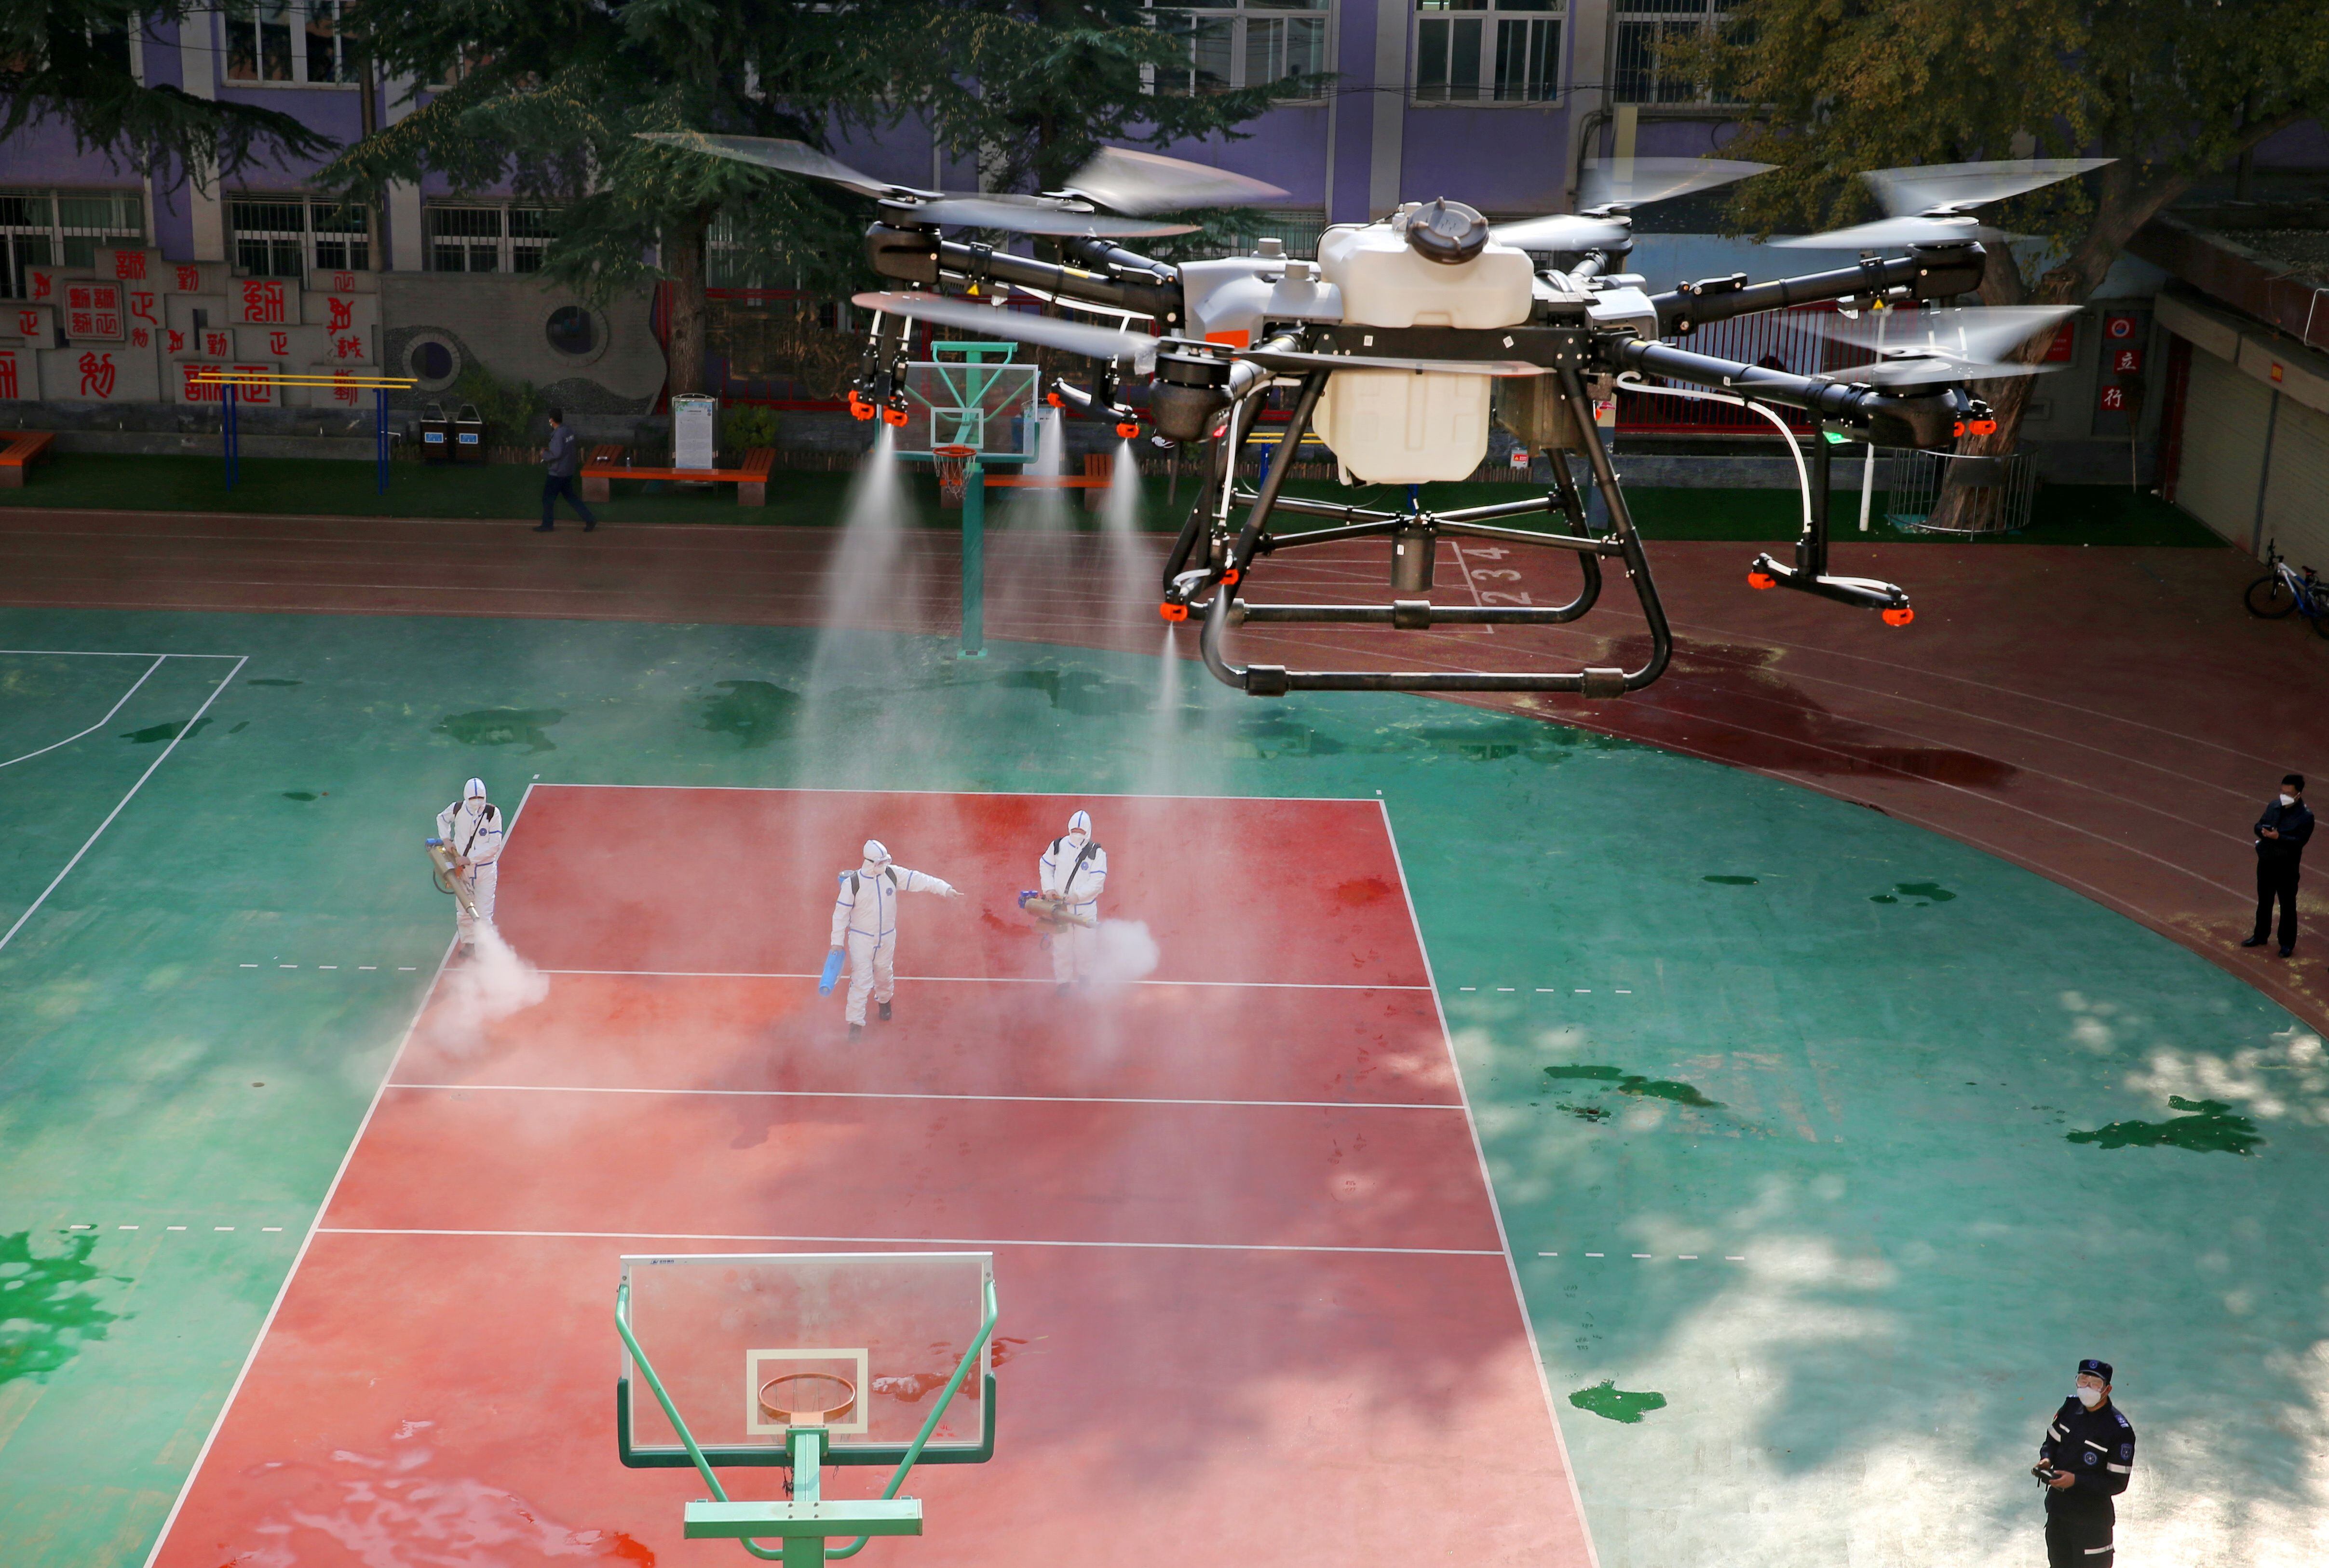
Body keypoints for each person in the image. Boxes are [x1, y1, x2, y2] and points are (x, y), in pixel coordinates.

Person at [826, 839, 961, 1039]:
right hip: (861, 940)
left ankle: (885, 1002)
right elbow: (841, 914)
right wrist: (836, 942)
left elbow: (919, 879)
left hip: (887, 937)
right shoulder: (853, 884)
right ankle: (855, 1024)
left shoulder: (891, 874)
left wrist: (945, 889)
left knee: (884, 972)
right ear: (870, 862)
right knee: (861, 981)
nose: (884, 865)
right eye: (880, 862)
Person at [2033, 1358, 2134, 1567]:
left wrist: (2076, 1481)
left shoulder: (2119, 1431)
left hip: (2091, 1523)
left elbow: (2117, 1483)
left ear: (2107, 1389)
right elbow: (2052, 1440)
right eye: (2083, 1380)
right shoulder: (2071, 1407)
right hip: (2058, 1513)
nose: (2087, 1388)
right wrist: (2047, 1458)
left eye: (2095, 1384)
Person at [1037, 810, 1109, 993]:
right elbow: (1045, 866)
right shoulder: (1058, 846)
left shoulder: (1096, 853)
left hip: (1085, 909)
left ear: (1088, 831)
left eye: (1081, 830)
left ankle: (1085, 976)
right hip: (1062, 910)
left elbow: (1098, 880)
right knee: (1062, 947)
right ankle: (1064, 982)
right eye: (1075, 829)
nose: (1078, 834)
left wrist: (1078, 896)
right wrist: (1050, 889)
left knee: (1086, 947)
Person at [2243, 772, 2312, 958]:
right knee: (2264, 901)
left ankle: (2287, 943)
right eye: (2283, 791)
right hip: (2267, 863)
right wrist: (2263, 832)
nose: (2284, 795)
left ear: (2298, 794)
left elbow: (2299, 841)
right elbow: (2259, 825)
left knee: (2287, 905)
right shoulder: (2274, 806)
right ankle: (2260, 935)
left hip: (2287, 868)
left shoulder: (2305, 817)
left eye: (2289, 793)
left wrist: (2279, 837)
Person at [433, 777, 504, 952]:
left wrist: (470, 858)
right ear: (466, 797)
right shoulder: (457, 809)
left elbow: (495, 844)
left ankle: (485, 952)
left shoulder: (492, 813)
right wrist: (446, 839)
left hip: (485, 871)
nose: (477, 802)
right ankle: (470, 946)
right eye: (473, 798)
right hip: (463, 872)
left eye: (480, 798)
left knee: (484, 915)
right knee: (464, 912)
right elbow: (442, 819)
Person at [535, 407, 596, 534]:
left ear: (552, 420)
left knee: (547, 498)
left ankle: (547, 525)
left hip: (557, 473)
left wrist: (544, 454)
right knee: (571, 497)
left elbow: (557, 454)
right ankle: (590, 519)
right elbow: (565, 448)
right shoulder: (568, 430)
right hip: (568, 471)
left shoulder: (558, 434)